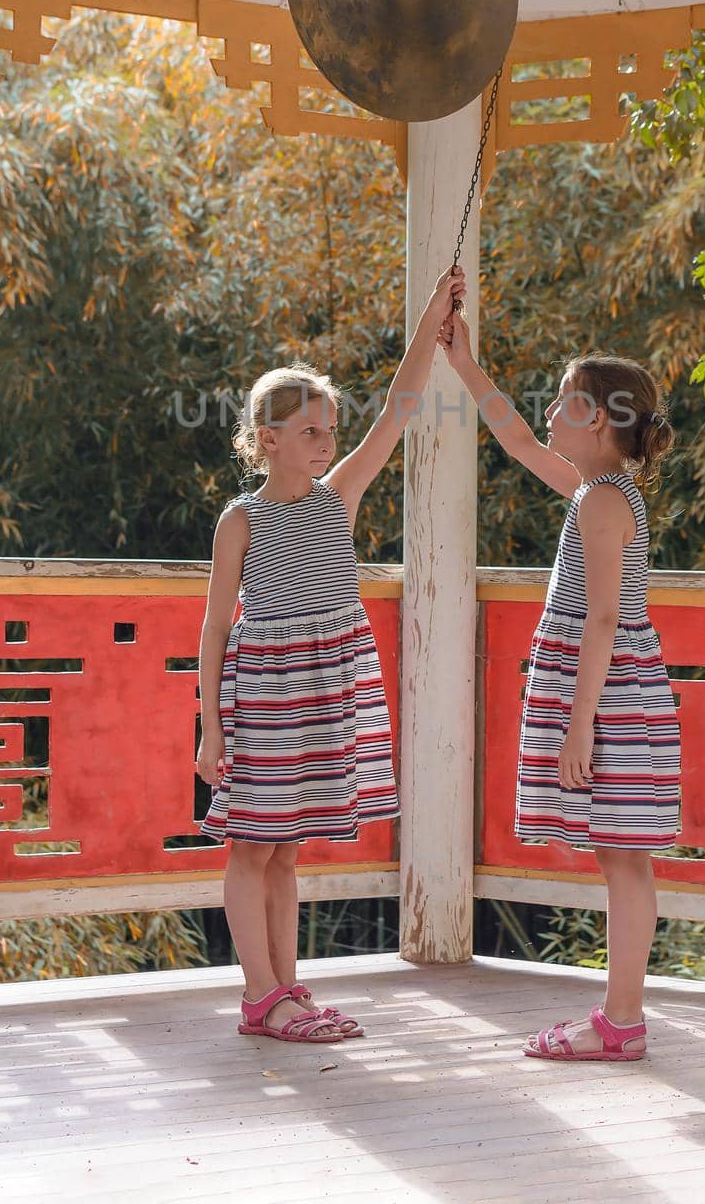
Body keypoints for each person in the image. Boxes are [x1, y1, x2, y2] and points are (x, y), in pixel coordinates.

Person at [196, 264, 466, 1043]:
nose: (327, 442)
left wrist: (433, 311)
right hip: (264, 696)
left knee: (284, 853)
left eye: (329, 431)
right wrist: (212, 728)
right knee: (253, 845)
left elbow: (400, 406)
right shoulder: (240, 521)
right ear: (268, 439)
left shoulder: (337, 497)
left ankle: (284, 989)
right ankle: (259, 996)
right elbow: (215, 628)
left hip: (319, 692)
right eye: (311, 431)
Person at [440, 311, 679, 1061]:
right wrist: (464, 364)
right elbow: (514, 437)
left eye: (563, 401)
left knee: (625, 859)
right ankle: (621, 1019)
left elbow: (606, 620)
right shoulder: (594, 490)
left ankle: (621, 1024)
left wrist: (581, 728)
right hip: (604, 689)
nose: (547, 413)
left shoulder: (606, 500)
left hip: (607, 695)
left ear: (601, 420)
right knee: (622, 857)